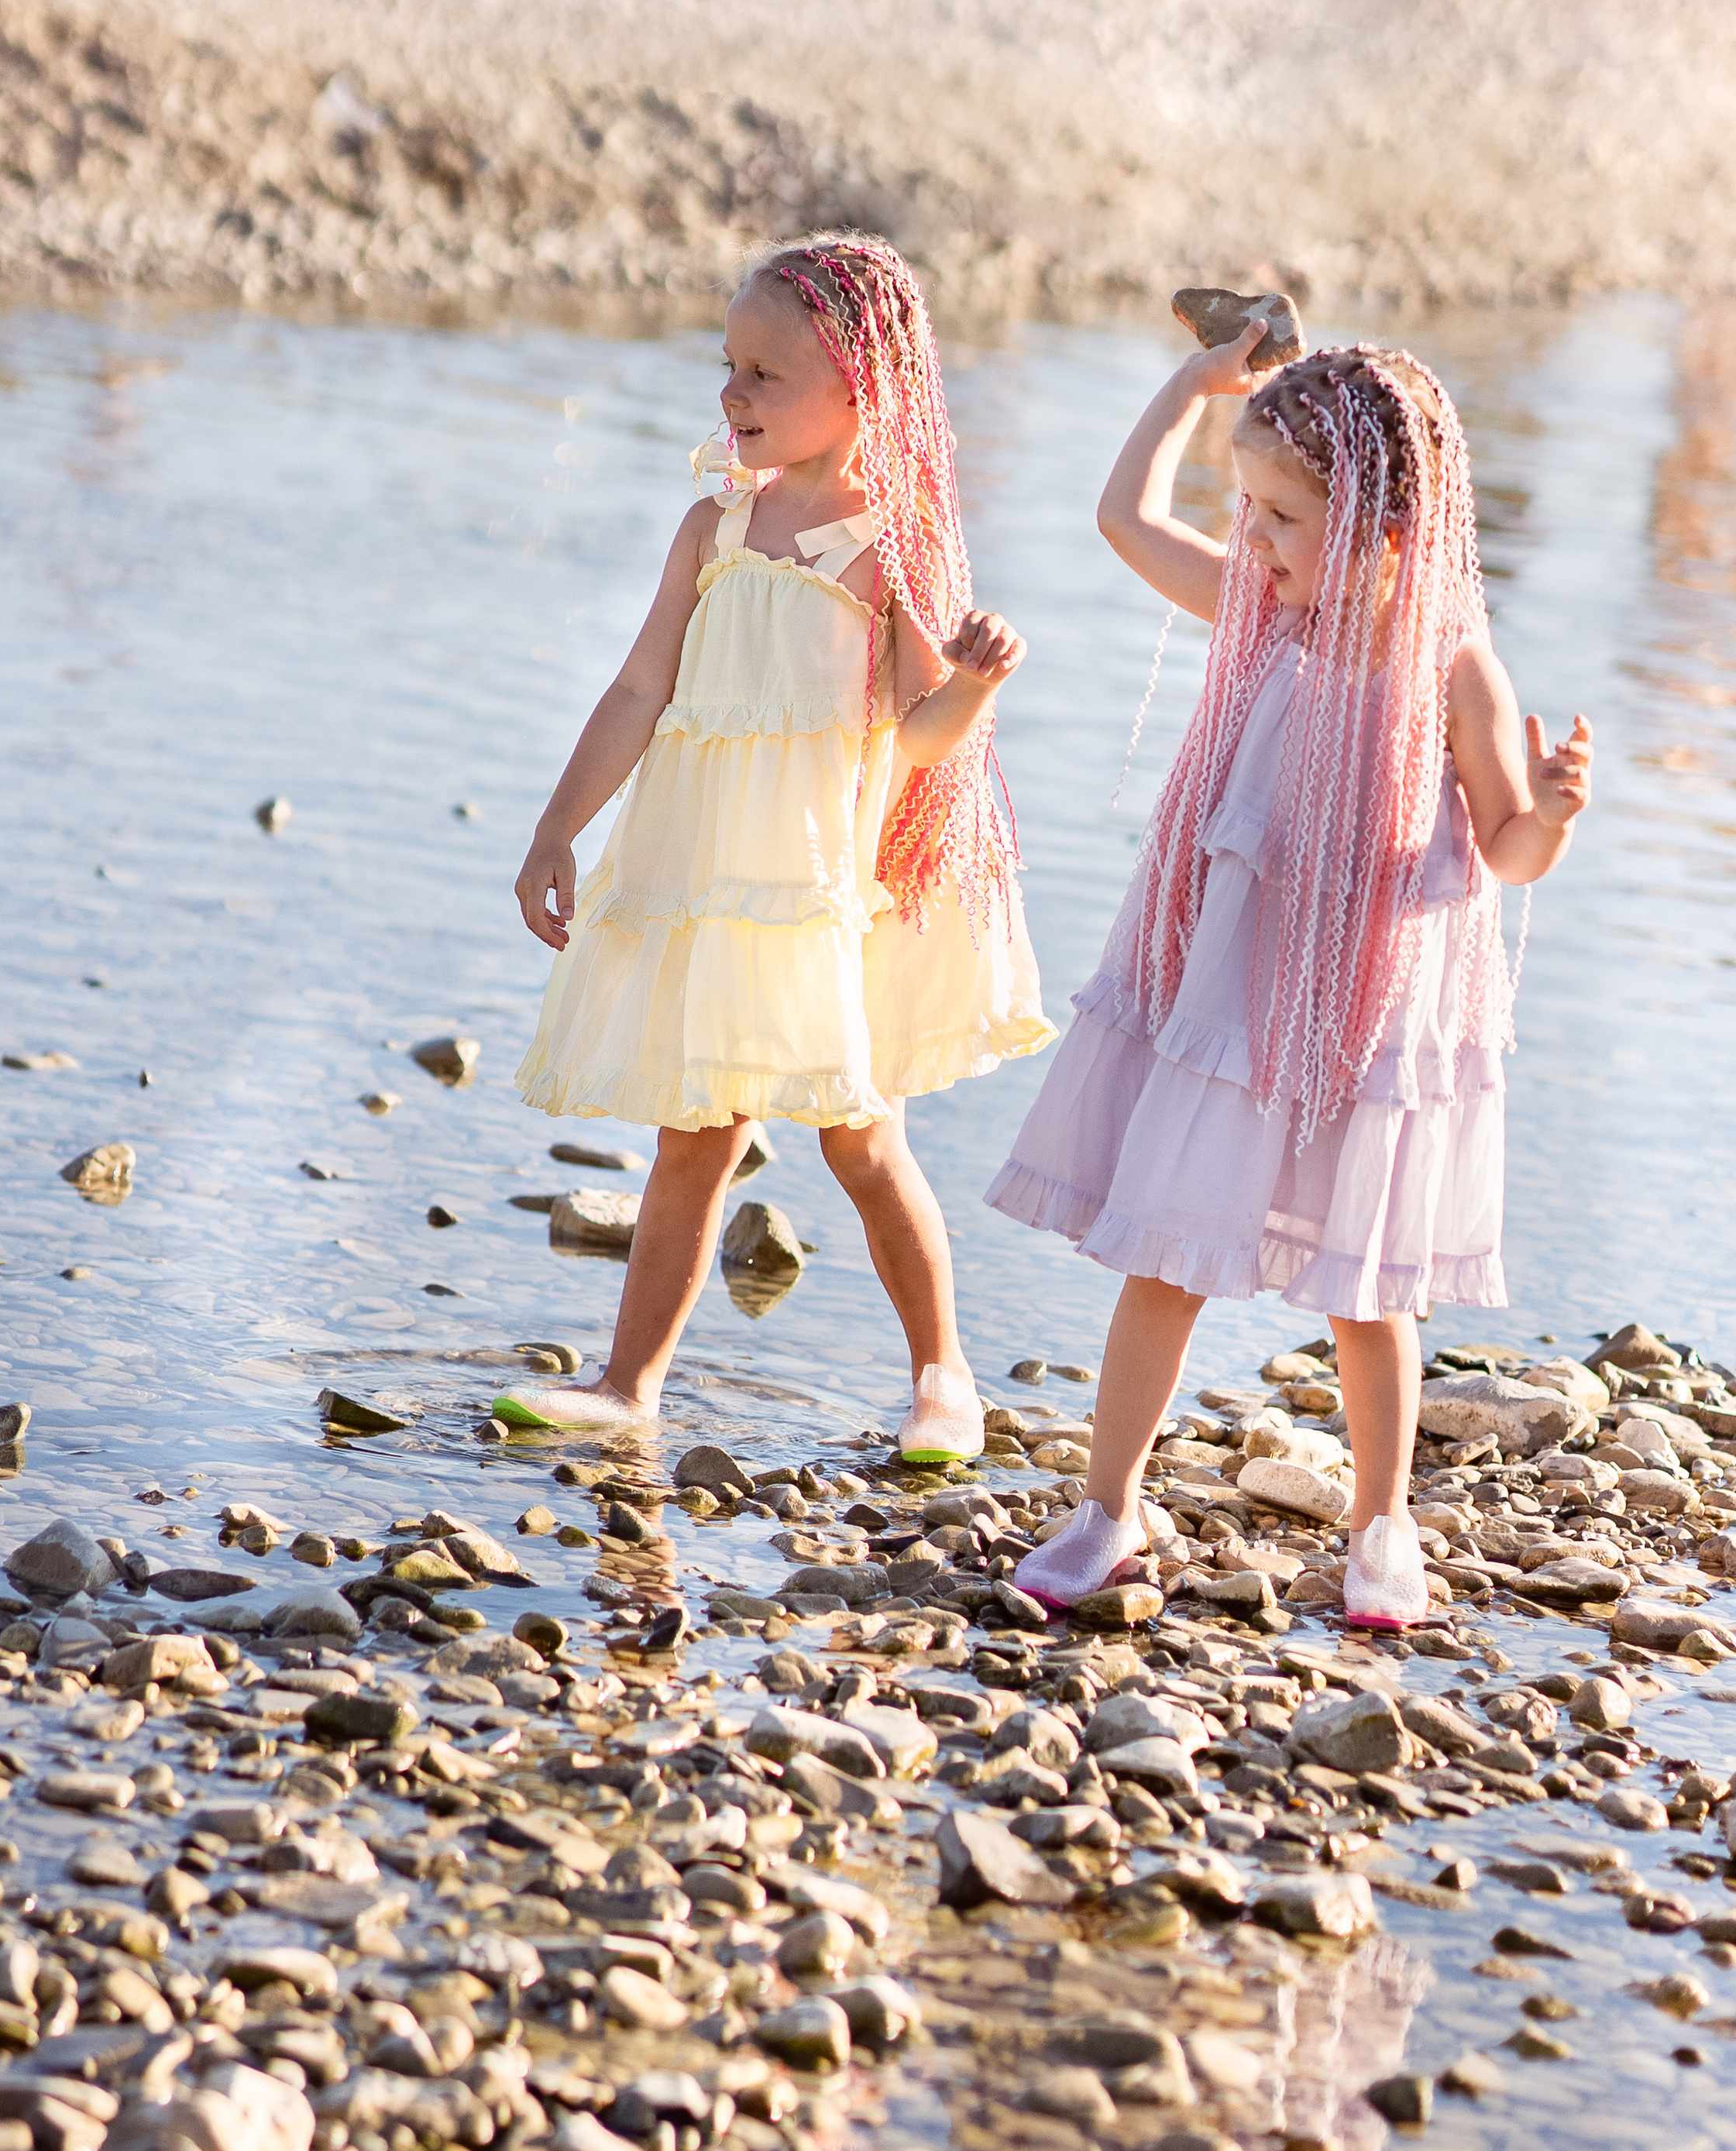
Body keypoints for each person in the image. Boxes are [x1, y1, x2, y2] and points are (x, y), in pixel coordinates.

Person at [986, 323, 1593, 1629]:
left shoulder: (1453, 671)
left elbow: (1508, 854)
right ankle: (1110, 1506)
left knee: (1367, 1292)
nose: (1250, 540)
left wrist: (1549, 811)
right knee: (1166, 1257)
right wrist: (1191, 392)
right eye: (1247, 509)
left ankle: (1383, 1527)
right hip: (1230, 1003)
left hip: (1364, 1017)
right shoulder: (1261, 616)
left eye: (1279, 515)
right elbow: (1120, 516)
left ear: (1379, 528)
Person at [497, 232, 1052, 1459]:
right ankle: (630, 1385)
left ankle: (943, 1377)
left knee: (862, 1142)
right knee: (692, 1138)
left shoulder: (884, 545)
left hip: (812, 893)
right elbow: (640, 692)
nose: (731, 395)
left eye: (764, 375)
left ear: (864, 392)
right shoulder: (713, 528)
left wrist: (973, 686)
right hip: (701, 888)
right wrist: (556, 827)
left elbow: (918, 735)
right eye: (729, 366)